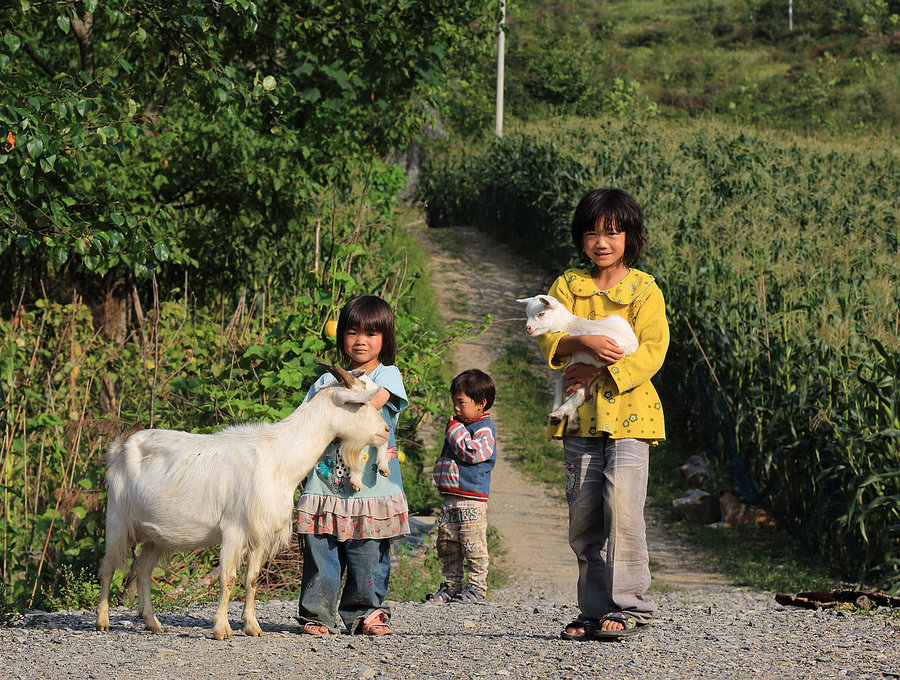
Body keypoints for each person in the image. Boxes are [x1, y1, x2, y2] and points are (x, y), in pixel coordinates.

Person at [536, 188, 669, 640]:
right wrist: (584, 342)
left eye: (612, 233)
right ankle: (593, 610)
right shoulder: (568, 287)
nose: (601, 242)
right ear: (580, 238)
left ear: (630, 237)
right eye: (592, 232)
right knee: (585, 513)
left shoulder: (645, 290)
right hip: (580, 420)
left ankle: (630, 606)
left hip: (633, 417)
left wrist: (598, 375)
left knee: (624, 509)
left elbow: (653, 350)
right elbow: (549, 336)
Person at [296, 295, 409, 636]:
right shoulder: (325, 382)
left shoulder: (388, 375)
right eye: (353, 332)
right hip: (326, 481)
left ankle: (366, 611)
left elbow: (371, 403)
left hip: (373, 484)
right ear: (341, 336)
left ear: (385, 339)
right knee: (321, 548)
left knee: (367, 550)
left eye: (371, 333)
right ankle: (318, 613)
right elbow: (305, 419)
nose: (361, 340)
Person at [426, 369, 497, 604]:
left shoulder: (483, 429)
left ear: (481, 403)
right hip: (450, 499)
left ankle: (477, 588)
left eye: (461, 402)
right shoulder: (461, 425)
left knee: (472, 545)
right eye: (454, 402)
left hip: (471, 500)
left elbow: (473, 452)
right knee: (447, 545)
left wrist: (454, 430)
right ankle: (451, 586)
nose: (456, 408)